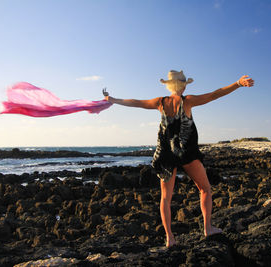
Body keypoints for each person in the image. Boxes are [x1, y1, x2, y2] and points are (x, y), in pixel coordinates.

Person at [105, 70, 254, 247]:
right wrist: (237, 83)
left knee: (165, 198)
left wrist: (113, 100)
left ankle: (170, 238)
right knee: (205, 189)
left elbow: (136, 102)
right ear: (183, 85)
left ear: (169, 85)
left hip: (166, 154)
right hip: (187, 153)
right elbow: (215, 94)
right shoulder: (187, 101)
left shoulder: (159, 102)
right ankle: (207, 228)